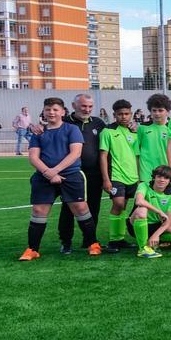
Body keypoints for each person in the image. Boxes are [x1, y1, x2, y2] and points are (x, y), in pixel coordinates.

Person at [19, 97, 102, 261]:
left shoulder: (72, 129)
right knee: (38, 211)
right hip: (43, 177)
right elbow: (33, 157)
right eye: (48, 109)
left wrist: (55, 171)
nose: (51, 112)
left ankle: (93, 243)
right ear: (43, 111)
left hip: (70, 175)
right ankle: (32, 249)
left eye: (55, 109)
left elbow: (75, 153)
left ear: (63, 112)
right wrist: (47, 172)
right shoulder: (38, 132)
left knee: (80, 208)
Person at [55, 93, 108, 254]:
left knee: (93, 207)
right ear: (73, 106)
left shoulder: (99, 123)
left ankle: (89, 241)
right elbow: (47, 131)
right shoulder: (63, 122)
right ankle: (66, 241)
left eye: (90, 106)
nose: (87, 109)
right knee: (68, 208)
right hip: (71, 173)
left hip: (94, 174)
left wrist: (132, 126)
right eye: (83, 106)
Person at [99, 99, 140, 253]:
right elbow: (103, 156)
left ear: (131, 114)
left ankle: (121, 238)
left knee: (124, 206)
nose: (124, 116)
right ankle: (114, 240)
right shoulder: (108, 131)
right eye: (120, 114)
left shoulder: (134, 132)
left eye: (127, 114)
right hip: (116, 176)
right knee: (118, 204)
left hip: (133, 177)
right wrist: (106, 179)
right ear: (114, 115)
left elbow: (137, 155)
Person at [130, 165, 171, 254]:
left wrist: (156, 235)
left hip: (157, 225)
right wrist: (159, 211)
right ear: (154, 177)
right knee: (142, 210)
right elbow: (139, 201)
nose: (162, 180)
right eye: (159, 176)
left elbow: (169, 219)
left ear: (169, 181)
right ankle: (143, 249)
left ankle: (154, 240)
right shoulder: (144, 185)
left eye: (166, 178)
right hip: (136, 223)